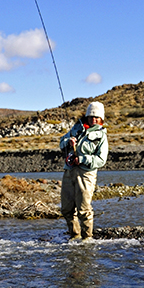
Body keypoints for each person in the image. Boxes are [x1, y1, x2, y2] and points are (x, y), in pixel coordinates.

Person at [60, 101, 108, 241]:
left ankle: (87, 238)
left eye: (97, 117)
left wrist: (82, 159)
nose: (93, 119)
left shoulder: (102, 136)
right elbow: (61, 143)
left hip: (86, 175)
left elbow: (101, 160)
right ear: (86, 116)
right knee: (66, 209)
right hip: (69, 172)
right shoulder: (76, 129)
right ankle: (75, 235)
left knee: (84, 209)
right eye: (91, 116)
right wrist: (68, 141)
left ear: (101, 119)